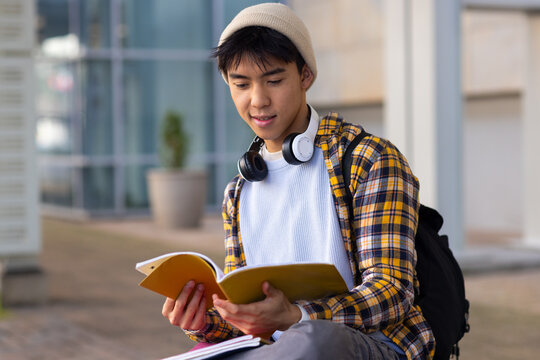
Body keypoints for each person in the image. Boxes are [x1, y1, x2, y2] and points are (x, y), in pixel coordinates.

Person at [161, 3, 435, 359]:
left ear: (305, 76)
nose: (257, 101)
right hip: (279, 349)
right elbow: (249, 320)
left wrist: (299, 316)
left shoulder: (368, 160)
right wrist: (203, 320)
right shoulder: (239, 190)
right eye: (241, 84)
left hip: (372, 345)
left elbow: (392, 292)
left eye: (274, 80)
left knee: (316, 340)